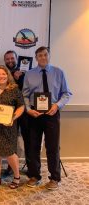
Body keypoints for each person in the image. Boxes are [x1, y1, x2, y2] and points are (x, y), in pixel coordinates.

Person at [23, 46, 72, 190]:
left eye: (45, 55)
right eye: (40, 55)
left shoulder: (59, 72)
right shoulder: (29, 74)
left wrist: (57, 105)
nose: (43, 57)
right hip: (34, 114)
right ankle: (34, 176)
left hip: (52, 112)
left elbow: (67, 93)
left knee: (52, 147)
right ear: (36, 57)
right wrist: (28, 110)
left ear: (49, 56)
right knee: (33, 146)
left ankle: (55, 178)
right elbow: (25, 95)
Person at [0, 65, 25, 189]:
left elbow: (21, 106)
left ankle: (17, 177)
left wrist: (13, 118)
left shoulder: (15, 90)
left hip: (8, 126)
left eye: (3, 74)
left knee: (10, 152)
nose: (1, 76)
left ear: (8, 75)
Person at [4, 50, 30, 175]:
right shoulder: (3, 75)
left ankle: (31, 166)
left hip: (24, 112)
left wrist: (20, 78)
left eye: (12, 58)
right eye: (7, 59)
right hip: (9, 112)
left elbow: (26, 92)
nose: (10, 61)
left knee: (28, 138)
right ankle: (11, 166)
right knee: (11, 139)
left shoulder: (27, 72)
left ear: (16, 59)